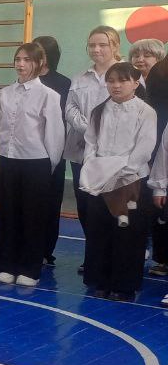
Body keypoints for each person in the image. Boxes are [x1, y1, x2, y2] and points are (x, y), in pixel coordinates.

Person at [84, 61, 156, 301]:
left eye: (123, 80)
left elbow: (144, 147)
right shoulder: (98, 111)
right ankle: (101, 280)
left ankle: (124, 285)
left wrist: (122, 172)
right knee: (100, 232)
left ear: (135, 83)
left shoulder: (145, 111)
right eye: (111, 81)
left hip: (130, 181)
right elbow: (91, 142)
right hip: (101, 180)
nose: (116, 85)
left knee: (128, 235)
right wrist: (93, 167)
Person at [0, 42, 65, 287]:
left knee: (33, 216)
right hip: (9, 159)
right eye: (18, 59)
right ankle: (7, 265)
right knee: (8, 214)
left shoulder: (49, 95)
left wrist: (49, 165)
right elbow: (0, 125)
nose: (21, 64)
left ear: (39, 63)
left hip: (36, 162)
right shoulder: (5, 94)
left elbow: (55, 134)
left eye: (27, 60)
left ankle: (30, 268)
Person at [65, 26, 121, 258]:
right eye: (92, 45)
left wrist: (103, 131)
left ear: (115, 46)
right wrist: (88, 128)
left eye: (102, 45)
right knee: (85, 205)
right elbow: (70, 107)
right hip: (80, 151)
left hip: (112, 156)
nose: (96, 49)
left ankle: (111, 255)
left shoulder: (129, 75)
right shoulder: (80, 77)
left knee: (110, 206)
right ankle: (94, 254)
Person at [33, 35, 71, 267]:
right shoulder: (26, 80)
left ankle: (46, 249)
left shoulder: (63, 83)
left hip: (52, 150)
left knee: (50, 202)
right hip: (27, 153)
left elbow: (62, 120)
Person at [146, 57, 168, 277]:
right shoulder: (159, 70)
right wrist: (159, 186)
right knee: (161, 212)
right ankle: (162, 258)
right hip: (158, 128)